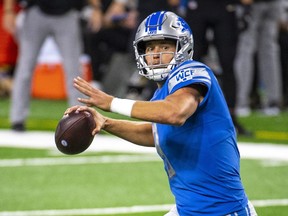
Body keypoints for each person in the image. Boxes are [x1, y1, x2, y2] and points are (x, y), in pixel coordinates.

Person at [65, 11, 258, 215]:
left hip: (222, 211)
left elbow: (175, 113)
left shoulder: (194, 72)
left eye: (164, 46)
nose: (155, 54)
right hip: (188, 210)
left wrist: (112, 103)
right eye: (149, 47)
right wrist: (106, 123)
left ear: (182, 47)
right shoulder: (160, 97)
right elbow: (155, 133)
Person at [2, 0, 102, 131]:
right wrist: (9, 10)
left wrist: (96, 8)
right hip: (36, 11)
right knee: (25, 68)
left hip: (67, 12)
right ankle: (17, 119)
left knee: (74, 69)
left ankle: (81, 119)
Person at [173, 0, 253, 136]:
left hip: (223, 7)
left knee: (228, 65)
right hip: (199, 7)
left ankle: (230, 117)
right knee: (190, 65)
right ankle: (188, 114)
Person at [235, 0, 283, 116]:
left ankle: (242, 102)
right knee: (270, 51)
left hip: (252, 5)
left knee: (246, 49)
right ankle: (273, 101)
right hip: (274, 4)